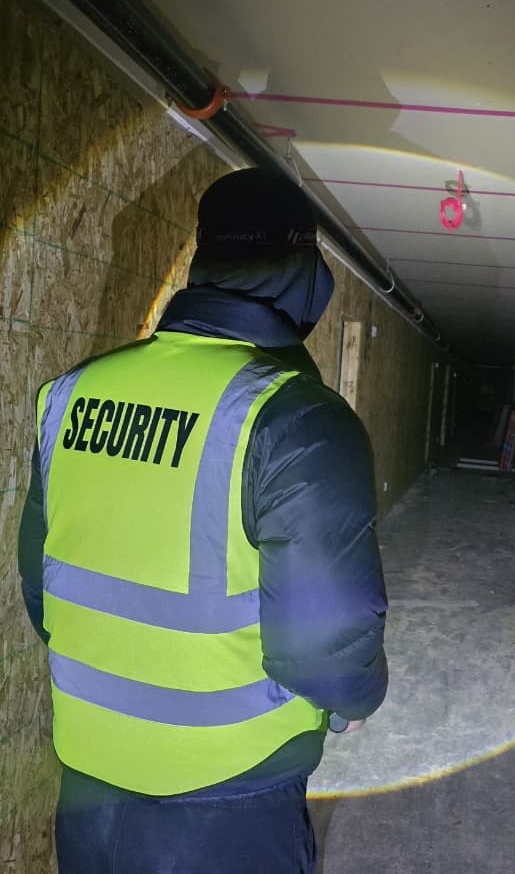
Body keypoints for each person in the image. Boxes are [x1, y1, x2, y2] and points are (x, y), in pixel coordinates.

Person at [17, 167, 389, 873]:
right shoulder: (295, 419)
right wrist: (352, 696)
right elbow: (324, 650)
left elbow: (43, 589)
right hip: (229, 799)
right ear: (296, 269)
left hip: (88, 782)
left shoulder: (70, 396)